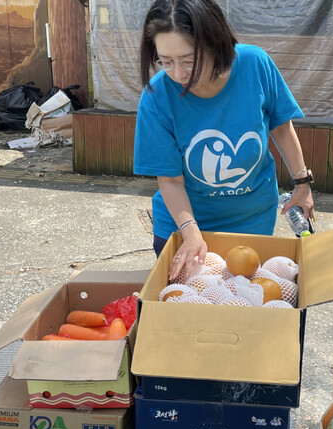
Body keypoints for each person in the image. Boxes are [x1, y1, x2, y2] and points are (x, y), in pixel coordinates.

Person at [133, 0, 314, 281]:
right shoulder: (157, 96)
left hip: (252, 221)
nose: (178, 74)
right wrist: (189, 231)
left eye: (188, 60)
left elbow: (281, 127)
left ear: (215, 43)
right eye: (166, 61)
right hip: (184, 223)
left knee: (246, 302)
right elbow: (170, 180)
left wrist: (302, 184)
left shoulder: (255, 64)